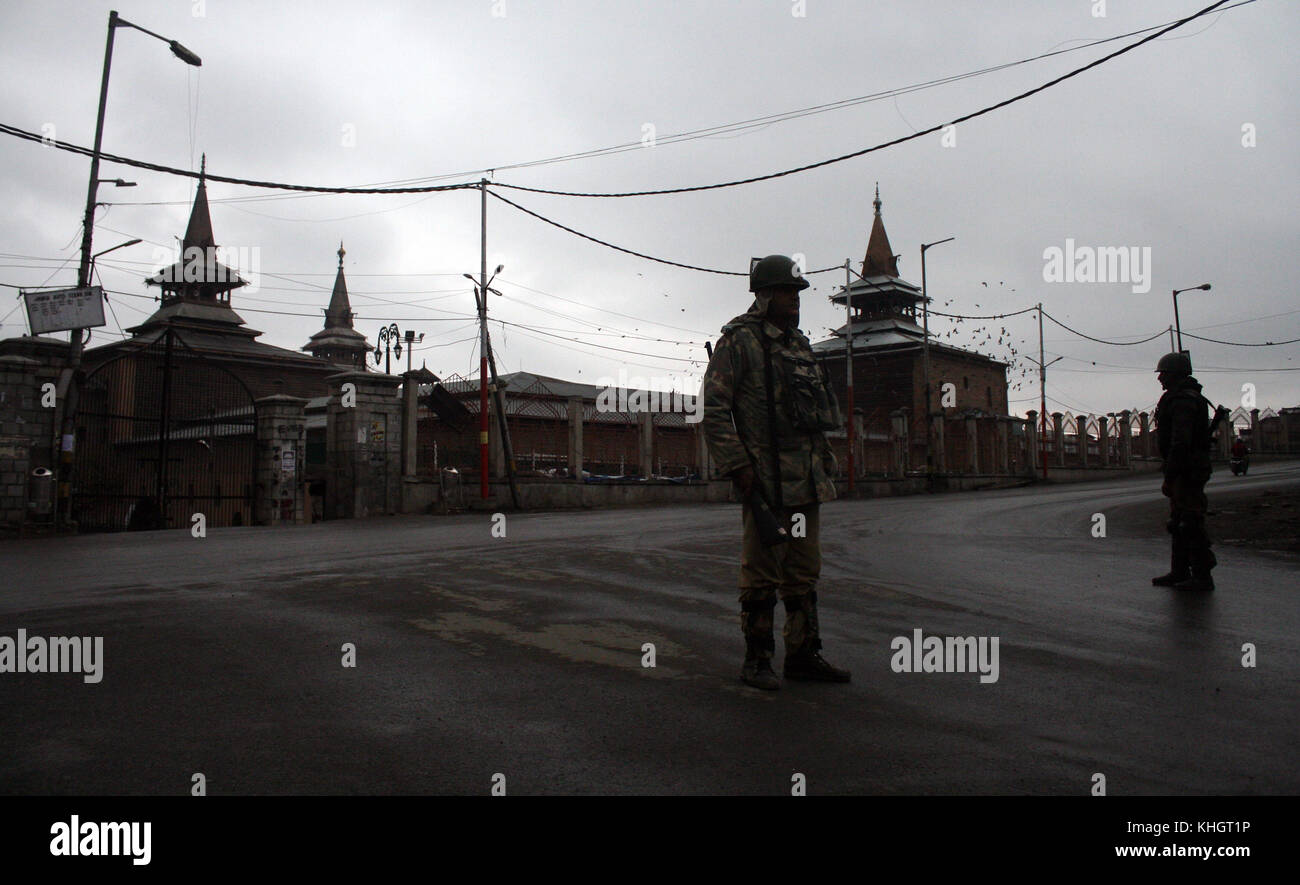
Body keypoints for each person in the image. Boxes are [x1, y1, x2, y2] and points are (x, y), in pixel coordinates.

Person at [701, 254, 851, 690]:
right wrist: (739, 468)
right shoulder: (740, 341)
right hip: (763, 483)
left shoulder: (798, 344)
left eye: (797, 293)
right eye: (787, 292)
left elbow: (812, 413)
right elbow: (713, 411)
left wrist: (823, 461)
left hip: (805, 482)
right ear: (764, 295)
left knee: (803, 570)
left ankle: (803, 655)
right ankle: (757, 660)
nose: (795, 300)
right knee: (762, 573)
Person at [1152, 351, 1217, 591]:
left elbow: (1181, 441)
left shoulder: (1183, 400)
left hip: (1188, 469)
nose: (1160, 379)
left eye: (1164, 374)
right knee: (1178, 521)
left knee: (1189, 522)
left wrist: (1170, 474)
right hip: (1185, 467)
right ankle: (1179, 571)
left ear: (1175, 374)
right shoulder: (1180, 397)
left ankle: (1202, 574)